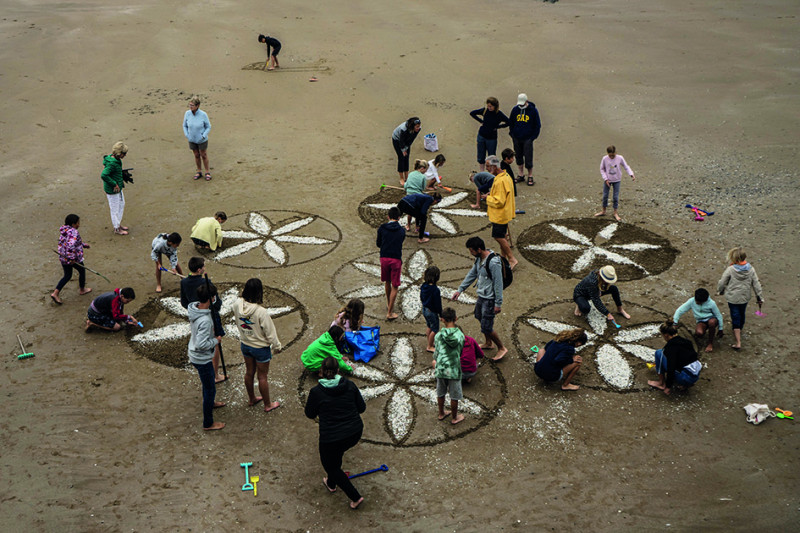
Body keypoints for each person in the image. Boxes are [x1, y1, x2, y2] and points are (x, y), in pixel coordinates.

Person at [304, 356, 366, 509]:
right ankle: (331, 483)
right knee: (336, 456)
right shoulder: (350, 385)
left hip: (331, 437)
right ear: (338, 370)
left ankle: (355, 497)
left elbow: (310, 414)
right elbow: (362, 408)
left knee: (331, 466)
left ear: (321, 372)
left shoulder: (316, 392)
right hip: (354, 432)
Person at [451, 237, 508, 361]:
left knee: (487, 326)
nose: (470, 253)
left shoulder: (493, 263)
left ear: (479, 249)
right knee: (478, 316)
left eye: (471, 250)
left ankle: (501, 348)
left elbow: (498, 284)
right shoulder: (479, 259)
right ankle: (488, 342)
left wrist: (498, 303)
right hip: (482, 295)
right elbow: (472, 274)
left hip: (490, 299)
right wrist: (460, 290)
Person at [233, 278, 283, 413]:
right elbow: (270, 333)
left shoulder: (237, 303)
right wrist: (277, 346)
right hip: (260, 348)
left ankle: (252, 398)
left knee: (249, 372)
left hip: (245, 344)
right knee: (262, 377)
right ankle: (268, 404)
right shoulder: (261, 312)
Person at [180, 257, 225, 382]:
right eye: (203, 266)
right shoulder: (206, 282)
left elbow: (184, 302)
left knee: (199, 336)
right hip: (210, 315)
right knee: (215, 343)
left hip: (195, 314)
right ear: (199, 269)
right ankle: (215, 374)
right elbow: (217, 304)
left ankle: (213, 373)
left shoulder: (184, 282)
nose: (205, 268)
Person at [188, 285, 226, 430]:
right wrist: (216, 340)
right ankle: (208, 423)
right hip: (201, 358)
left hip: (197, 356)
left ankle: (210, 403)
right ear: (211, 298)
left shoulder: (194, 308)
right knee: (210, 389)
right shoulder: (204, 320)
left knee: (208, 384)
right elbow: (201, 344)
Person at [717, 246, 764, 351]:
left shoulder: (730, 269)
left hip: (733, 297)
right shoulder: (751, 269)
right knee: (742, 313)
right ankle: (739, 328)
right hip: (744, 297)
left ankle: (738, 341)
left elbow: (722, 282)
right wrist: (759, 297)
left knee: (735, 315)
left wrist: (720, 290)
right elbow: (756, 284)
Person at [648, 320, 702, 396]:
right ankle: (685, 384)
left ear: (666, 335)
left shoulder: (670, 347)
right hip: (695, 375)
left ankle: (661, 383)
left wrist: (668, 386)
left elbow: (671, 368)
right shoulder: (686, 341)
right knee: (680, 364)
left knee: (659, 353)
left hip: (685, 377)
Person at [432, 307, 466, 424]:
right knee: (454, 395)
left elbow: (436, 353)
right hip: (454, 368)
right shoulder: (460, 335)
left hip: (441, 368)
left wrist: (436, 361)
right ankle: (454, 417)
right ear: (456, 318)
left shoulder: (438, 336)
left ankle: (441, 413)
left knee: (440, 392)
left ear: (442, 320)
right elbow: (460, 351)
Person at [485, 155, 517, 269]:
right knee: (502, 235)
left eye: (488, 166)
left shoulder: (500, 181)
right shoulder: (505, 175)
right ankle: (503, 258)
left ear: (494, 166)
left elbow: (499, 201)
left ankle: (512, 258)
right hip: (505, 212)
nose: (487, 169)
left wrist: (487, 198)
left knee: (498, 236)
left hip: (500, 214)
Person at [51, 214, 91, 304]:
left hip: (63, 257)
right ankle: (82, 289)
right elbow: (71, 245)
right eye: (78, 223)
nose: (79, 225)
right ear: (73, 224)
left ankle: (55, 293)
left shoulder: (64, 231)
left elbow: (71, 242)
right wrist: (72, 258)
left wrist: (83, 245)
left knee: (67, 275)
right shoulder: (73, 232)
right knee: (82, 271)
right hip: (73, 258)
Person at [376, 206, 405, 320]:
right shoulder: (401, 230)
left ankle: (389, 303)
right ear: (399, 217)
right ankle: (390, 312)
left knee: (387, 281)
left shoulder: (382, 228)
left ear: (388, 216)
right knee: (395, 285)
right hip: (396, 259)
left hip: (384, 258)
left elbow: (379, 243)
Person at [673, 288, 724, 353]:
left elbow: (718, 315)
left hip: (711, 319)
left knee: (712, 323)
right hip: (701, 321)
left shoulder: (712, 303)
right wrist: (675, 322)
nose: (697, 303)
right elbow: (680, 310)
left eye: (699, 302)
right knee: (699, 333)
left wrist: (720, 328)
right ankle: (705, 329)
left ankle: (710, 343)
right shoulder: (692, 301)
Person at [594, 145, 636, 221]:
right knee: (605, 196)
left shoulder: (620, 158)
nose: (612, 157)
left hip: (617, 180)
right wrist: (606, 179)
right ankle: (603, 211)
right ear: (608, 153)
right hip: (608, 180)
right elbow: (602, 169)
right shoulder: (604, 159)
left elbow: (626, 166)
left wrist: (631, 174)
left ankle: (615, 213)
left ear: (616, 152)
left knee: (615, 197)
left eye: (613, 155)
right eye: (610, 155)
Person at [508, 93, 541, 186]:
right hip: (517, 137)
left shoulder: (533, 110)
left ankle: (530, 175)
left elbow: (537, 125)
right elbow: (511, 122)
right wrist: (512, 134)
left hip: (528, 138)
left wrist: (533, 137)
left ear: (526, 101)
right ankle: (520, 174)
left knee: (528, 157)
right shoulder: (515, 110)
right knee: (518, 156)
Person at [470, 97, 509, 171]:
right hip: (481, 136)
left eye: (490, 106)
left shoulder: (499, 114)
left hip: (491, 138)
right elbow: (472, 113)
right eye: (488, 106)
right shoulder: (485, 111)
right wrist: (481, 121)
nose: (489, 108)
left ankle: (492, 171)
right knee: (481, 155)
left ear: (495, 106)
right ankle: (482, 171)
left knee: (492, 156)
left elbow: (508, 122)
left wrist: (498, 127)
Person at [101, 141, 130, 235]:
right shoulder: (112, 163)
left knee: (122, 204)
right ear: (119, 153)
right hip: (113, 189)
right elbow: (104, 175)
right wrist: (114, 184)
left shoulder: (115, 160)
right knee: (114, 209)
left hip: (118, 188)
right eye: (124, 153)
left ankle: (118, 224)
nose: (125, 155)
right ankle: (117, 228)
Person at [183, 96, 212, 180]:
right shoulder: (187, 113)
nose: (190, 107)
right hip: (192, 139)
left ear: (197, 106)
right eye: (190, 105)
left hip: (201, 139)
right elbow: (184, 125)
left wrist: (203, 136)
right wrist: (187, 135)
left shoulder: (203, 114)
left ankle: (207, 172)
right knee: (196, 155)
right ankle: (199, 171)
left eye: (192, 105)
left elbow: (208, 126)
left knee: (204, 155)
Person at [391, 117, 421, 185]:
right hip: (397, 140)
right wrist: (403, 149)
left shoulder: (418, 129)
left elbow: (411, 139)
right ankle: (401, 178)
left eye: (419, 126)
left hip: (406, 141)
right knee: (401, 158)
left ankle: (407, 177)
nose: (418, 128)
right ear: (412, 126)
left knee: (406, 157)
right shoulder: (403, 129)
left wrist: (406, 148)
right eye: (416, 127)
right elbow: (401, 141)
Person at [420, 265, 442, 352]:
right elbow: (437, 303)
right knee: (435, 329)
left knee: (429, 326)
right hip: (432, 311)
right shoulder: (435, 290)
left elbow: (421, 297)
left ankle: (430, 341)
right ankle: (429, 346)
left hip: (425, 309)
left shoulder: (424, 286)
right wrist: (440, 313)